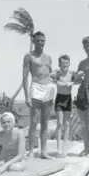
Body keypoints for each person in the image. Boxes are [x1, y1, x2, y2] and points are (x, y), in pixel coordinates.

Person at [22, 31, 55, 159]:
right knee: (34, 121)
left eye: (43, 40)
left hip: (48, 88)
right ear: (33, 41)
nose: (41, 43)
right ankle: (30, 151)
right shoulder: (29, 56)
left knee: (45, 122)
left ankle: (43, 151)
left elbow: (50, 73)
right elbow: (25, 77)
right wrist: (27, 96)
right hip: (36, 87)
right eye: (38, 40)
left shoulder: (48, 57)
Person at [50, 55, 84, 157]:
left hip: (68, 99)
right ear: (59, 64)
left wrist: (72, 83)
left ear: (69, 64)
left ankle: (65, 148)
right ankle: (58, 148)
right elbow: (48, 76)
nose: (65, 65)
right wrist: (57, 82)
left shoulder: (71, 73)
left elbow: (81, 80)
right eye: (62, 63)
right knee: (60, 123)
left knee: (67, 123)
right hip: (59, 98)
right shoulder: (58, 73)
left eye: (66, 63)